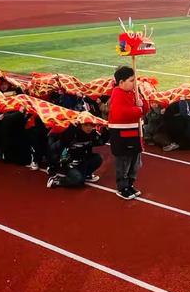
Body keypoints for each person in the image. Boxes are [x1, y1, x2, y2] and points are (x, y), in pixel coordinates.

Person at [108, 66, 148, 200]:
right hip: (123, 136)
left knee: (135, 162)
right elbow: (122, 113)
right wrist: (138, 109)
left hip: (135, 134)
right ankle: (122, 187)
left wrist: (142, 103)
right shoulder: (117, 94)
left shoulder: (133, 92)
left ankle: (130, 184)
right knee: (124, 162)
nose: (134, 83)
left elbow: (144, 108)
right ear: (121, 82)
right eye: (131, 81)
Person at [47, 113, 105, 188]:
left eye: (91, 125)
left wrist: (106, 130)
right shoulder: (72, 133)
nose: (89, 128)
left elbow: (100, 142)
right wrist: (72, 127)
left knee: (98, 158)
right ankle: (57, 180)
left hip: (81, 161)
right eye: (86, 125)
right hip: (69, 163)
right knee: (78, 180)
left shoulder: (92, 134)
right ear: (81, 125)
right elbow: (62, 142)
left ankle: (86, 174)